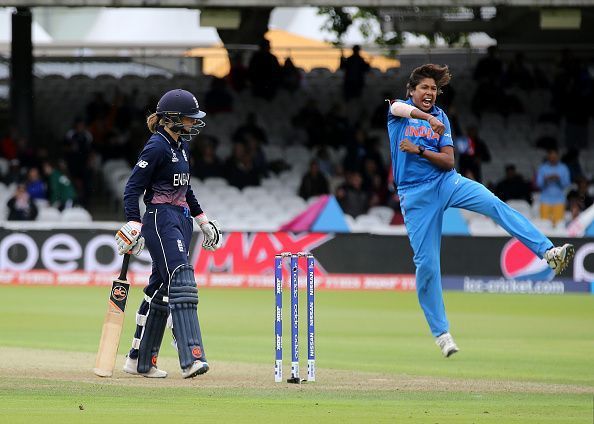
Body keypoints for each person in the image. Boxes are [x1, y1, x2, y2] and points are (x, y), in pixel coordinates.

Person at [387, 64, 575, 358]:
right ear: (412, 90)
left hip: (445, 182)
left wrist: (422, 149)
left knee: (494, 204)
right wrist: (425, 120)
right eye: (424, 88)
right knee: (426, 265)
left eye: (434, 89)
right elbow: (400, 108)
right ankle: (442, 334)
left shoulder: (442, 117)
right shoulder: (398, 113)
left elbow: (449, 162)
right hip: (415, 196)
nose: (430, 93)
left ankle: (547, 252)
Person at [115, 89, 223, 379]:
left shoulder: (181, 146)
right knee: (181, 278)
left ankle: (139, 360)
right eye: (189, 118)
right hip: (160, 218)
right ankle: (191, 357)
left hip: (181, 218)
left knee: (160, 288)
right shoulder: (156, 147)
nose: (192, 123)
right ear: (172, 118)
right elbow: (132, 188)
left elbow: (185, 188)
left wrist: (202, 220)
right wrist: (134, 223)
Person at [536, 147, 571, 225]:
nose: (553, 159)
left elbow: (567, 184)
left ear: (558, 157)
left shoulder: (563, 168)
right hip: (545, 200)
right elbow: (538, 184)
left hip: (559, 200)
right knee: (544, 225)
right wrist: (546, 179)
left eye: (554, 157)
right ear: (548, 157)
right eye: (551, 157)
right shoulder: (543, 168)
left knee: (559, 225)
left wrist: (558, 179)